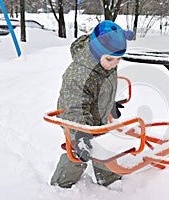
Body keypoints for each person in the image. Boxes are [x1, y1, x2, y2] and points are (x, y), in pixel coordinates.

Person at [50, 20, 134, 189]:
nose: (115, 64)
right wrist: (80, 133)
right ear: (96, 51)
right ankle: (60, 185)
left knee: (104, 146)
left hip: (97, 117)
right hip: (75, 121)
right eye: (111, 59)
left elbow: (100, 88)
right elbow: (72, 106)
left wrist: (109, 103)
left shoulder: (105, 62)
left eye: (119, 59)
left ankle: (108, 178)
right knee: (77, 154)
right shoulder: (78, 74)